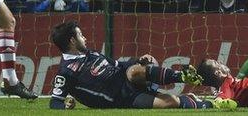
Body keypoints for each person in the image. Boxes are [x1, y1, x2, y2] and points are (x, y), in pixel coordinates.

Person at [48, 21, 224, 110]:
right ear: (72, 40)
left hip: (129, 79)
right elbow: (55, 102)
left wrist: (138, 60)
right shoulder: (65, 72)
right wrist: (65, 106)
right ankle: (197, 102)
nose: (84, 38)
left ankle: (181, 76)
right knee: (170, 103)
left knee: (133, 71)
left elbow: (120, 65)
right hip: (122, 98)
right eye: (80, 35)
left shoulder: (92, 53)